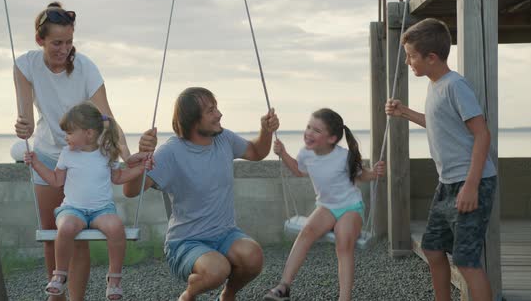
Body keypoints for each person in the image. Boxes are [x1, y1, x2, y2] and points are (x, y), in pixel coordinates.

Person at [13, 2, 156, 300]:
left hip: (86, 152)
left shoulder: (86, 68)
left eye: (68, 42)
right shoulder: (25, 65)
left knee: (80, 240)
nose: (64, 49)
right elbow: (25, 113)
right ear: (40, 40)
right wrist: (23, 127)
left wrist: (126, 154)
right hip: (51, 153)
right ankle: (57, 296)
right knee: (54, 236)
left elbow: (107, 118)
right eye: (56, 43)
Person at [123, 87, 279, 301]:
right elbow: (131, 191)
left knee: (253, 257)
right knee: (217, 269)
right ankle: (188, 296)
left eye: (216, 108)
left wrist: (266, 130)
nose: (219, 114)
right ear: (193, 120)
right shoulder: (171, 152)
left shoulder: (224, 139)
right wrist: (142, 158)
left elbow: (257, 152)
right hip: (185, 243)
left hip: (225, 234)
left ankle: (228, 296)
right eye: (211, 110)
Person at [385, 18, 497, 301]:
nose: (409, 62)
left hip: (472, 181)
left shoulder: (454, 85)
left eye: (412, 56)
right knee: (433, 248)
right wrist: (404, 113)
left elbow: (482, 135)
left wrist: (471, 186)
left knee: (466, 260)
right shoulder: (434, 85)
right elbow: (438, 123)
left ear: (431, 58)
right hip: (447, 183)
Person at [24, 102, 152, 300]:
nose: (65, 137)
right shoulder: (67, 154)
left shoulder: (106, 153)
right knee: (65, 228)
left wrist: (141, 169)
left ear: (89, 134)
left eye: (69, 133)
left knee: (116, 227)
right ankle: (60, 274)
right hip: (73, 209)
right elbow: (56, 180)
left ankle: (114, 278)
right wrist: (36, 163)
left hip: (102, 210)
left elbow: (118, 177)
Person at [263, 108, 385, 301]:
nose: (309, 132)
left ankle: (344, 298)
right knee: (306, 232)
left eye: (316, 130)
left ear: (332, 138)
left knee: (343, 240)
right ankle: (283, 286)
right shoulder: (305, 154)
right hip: (326, 207)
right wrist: (284, 153)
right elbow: (298, 170)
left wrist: (374, 173)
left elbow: (361, 175)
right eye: (308, 127)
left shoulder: (343, 156)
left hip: (350, 208)